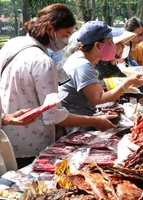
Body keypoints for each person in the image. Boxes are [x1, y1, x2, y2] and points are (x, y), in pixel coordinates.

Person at [0, 4, 117, 168]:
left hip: (7, 137)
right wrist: (96, 121)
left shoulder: (13, 44)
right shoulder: (43, 62)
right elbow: (53, 115)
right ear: (49, 29)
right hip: (33, 144)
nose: (67, 41)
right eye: (66, 34)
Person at [59, 21, 143, 133]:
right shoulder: (82, 66)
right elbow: (99, 101)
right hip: (78, 130)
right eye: (111, 42)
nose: (114, 46)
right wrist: (128, 83)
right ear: (98, 45)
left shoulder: (76, 60)